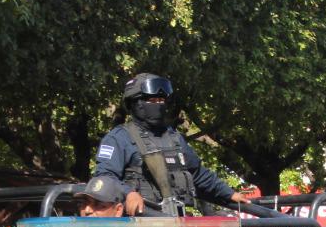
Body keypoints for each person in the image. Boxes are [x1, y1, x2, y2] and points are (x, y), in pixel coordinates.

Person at [94, 73, 252, 216]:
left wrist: (229, 194)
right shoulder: (119, 138)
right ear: (136, 103)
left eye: (162, 100)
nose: (159, 104)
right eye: (153, 100)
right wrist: (129, 193)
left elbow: (198, 174)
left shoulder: (173, 137)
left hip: (178, 221)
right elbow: (105, 177)